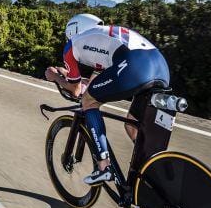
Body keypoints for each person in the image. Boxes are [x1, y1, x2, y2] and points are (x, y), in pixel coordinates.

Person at [45, 13, 170, 185]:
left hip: (134, 65)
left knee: (88, 102)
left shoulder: (72, 45)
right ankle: (153, 172)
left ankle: (104, 166)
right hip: (160, 67)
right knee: (132, 126)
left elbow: (76, 91)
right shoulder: (104, 37)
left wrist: (55, 77)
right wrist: (72, 77)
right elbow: (94, 84)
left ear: (72, 32)